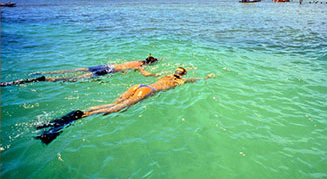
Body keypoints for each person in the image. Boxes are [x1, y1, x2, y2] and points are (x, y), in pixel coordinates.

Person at [35, 67, 215, 144]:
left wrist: (140, 68)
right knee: (115, 109)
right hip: (147, 91)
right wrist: (206, 78)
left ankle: (65, 119)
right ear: (182, 74)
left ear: (174, 71)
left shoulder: (163, 75)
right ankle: (74, 118)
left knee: (113, 104)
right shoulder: (179, 81)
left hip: (138, 86)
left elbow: (145, 74)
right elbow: (193, 80)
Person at [1, 54, 158, 86]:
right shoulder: (139, 66)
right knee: (76, 78)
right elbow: (145, 74)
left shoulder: (136, 60)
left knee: (78, 69)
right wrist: (155, 74)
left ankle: (52, 73)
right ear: (148, 64)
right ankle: (47, 79)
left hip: (105, 66)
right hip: (107, 71)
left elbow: (122, 66)